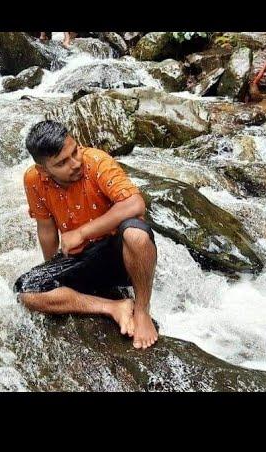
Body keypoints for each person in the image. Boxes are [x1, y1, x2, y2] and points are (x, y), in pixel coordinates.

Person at [14, 120, 159, 349]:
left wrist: (81, 233)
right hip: (83, 258)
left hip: (119, 254)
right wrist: (53, 270)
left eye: (75, 151)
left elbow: (135, 203)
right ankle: (114, 307)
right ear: (44, 170)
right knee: (27, 293)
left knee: (136, 233)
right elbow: (46, 228)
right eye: (62, 162)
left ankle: (141, 310)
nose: (74, 163)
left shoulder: (96, 161)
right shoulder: (33, 179)